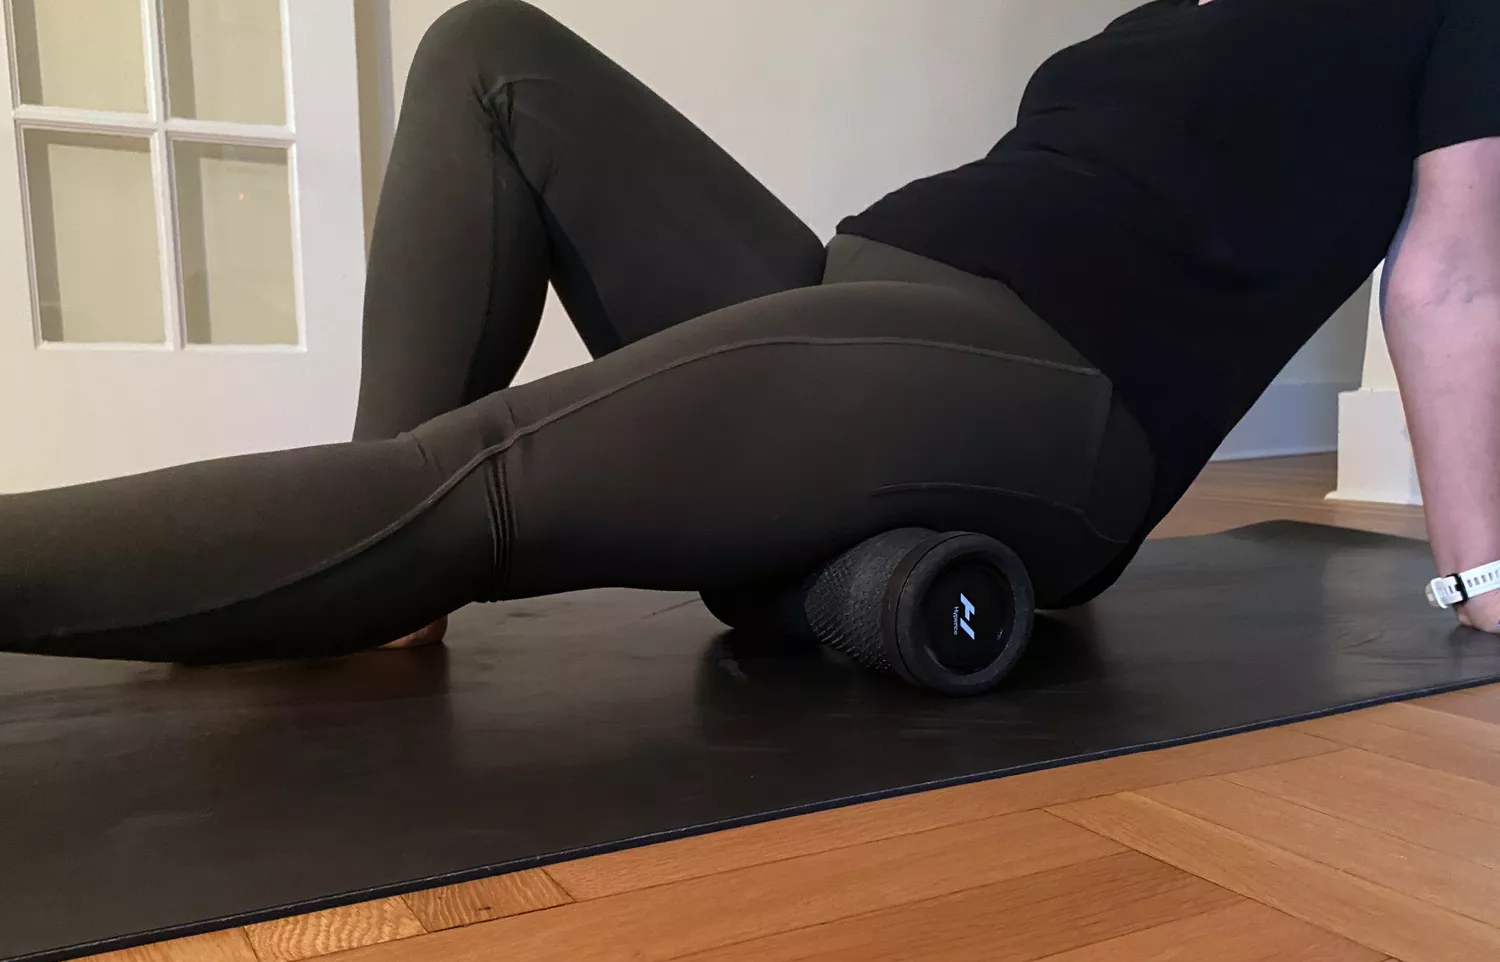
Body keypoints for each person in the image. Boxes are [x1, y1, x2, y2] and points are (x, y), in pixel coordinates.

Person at [1, 0, 1497, 663]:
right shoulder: (1174, 14)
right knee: (489, 51)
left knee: (484, 476)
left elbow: (1453, 280)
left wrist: (1480, 572)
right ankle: (372, 583)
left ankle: (386, 535)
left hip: (1048, 395)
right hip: (866, 296)